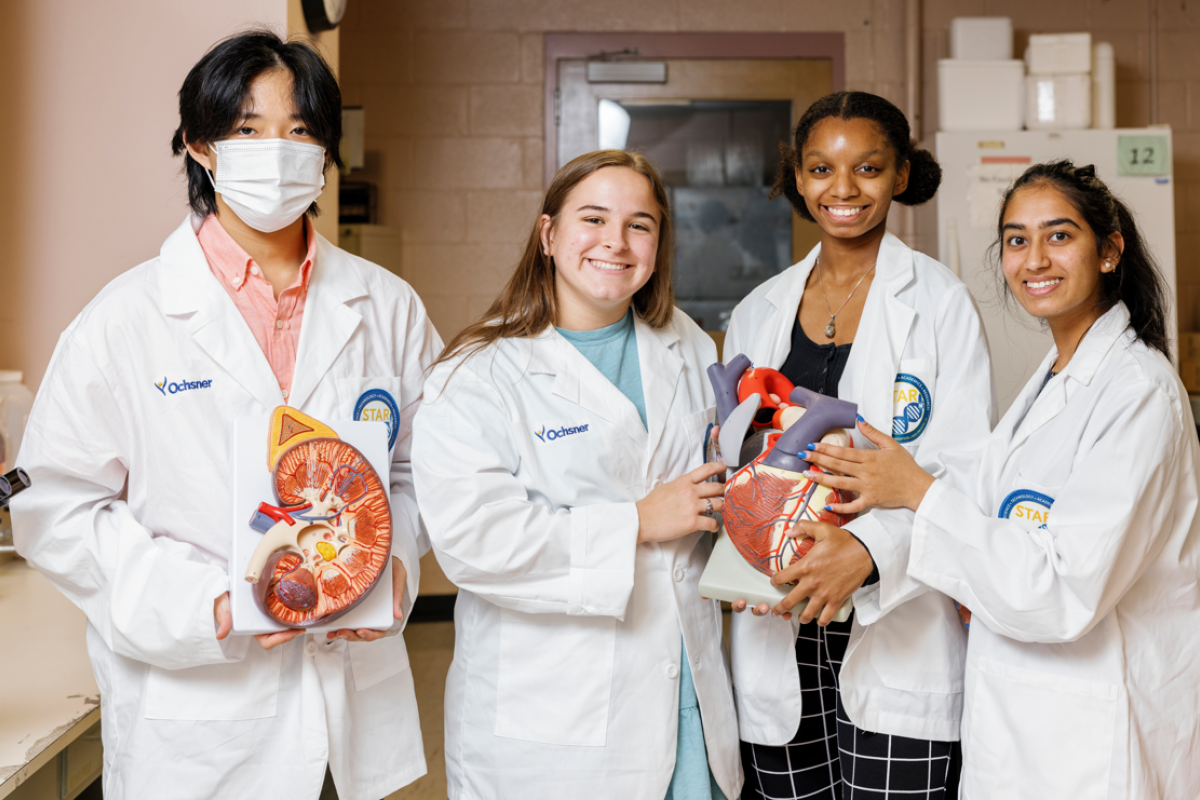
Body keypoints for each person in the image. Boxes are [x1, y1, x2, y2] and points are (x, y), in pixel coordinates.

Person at [12, 31, 440, 800]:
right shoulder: (126, 319)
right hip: (200, 727)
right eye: (248, 129)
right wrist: (212, 604)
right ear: (201, 147)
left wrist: (390, 569)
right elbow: (58, 508)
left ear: (326, 152)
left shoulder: (387, 307)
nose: (278, 151)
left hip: (349, 712)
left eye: (301, 130)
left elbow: (422, 466)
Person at [800, 160, 1200, 798]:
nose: (1034, 259)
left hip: (1096, 739)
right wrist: (861, 515)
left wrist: (914, 489)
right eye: (1017, 240)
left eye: (1059, 236)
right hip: (1020, 722)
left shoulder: (1138, 392)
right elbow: (986, 521)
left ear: (1109, 251)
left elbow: (1061, 587)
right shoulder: (1050, 380)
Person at [411, 150, 741, 800]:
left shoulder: (688, 344)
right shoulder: (475, 375)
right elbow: (475, 543)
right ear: (548, 234)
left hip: (684, 685)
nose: (616, 242)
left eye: (640, 224)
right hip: (558, 712)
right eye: (593, 218)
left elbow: (707, 482)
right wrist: (639, 522)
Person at [724, 91, 994, 799]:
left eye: (868, 168)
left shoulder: (939, 303)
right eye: (821, 169)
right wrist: (743, 553)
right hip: (776, 606)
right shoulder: (759, 309)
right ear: (799, 176)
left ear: (901, 174)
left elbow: (962, 468)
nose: (842, 190)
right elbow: (731, 458)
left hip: (896, 613)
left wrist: (868, 552)